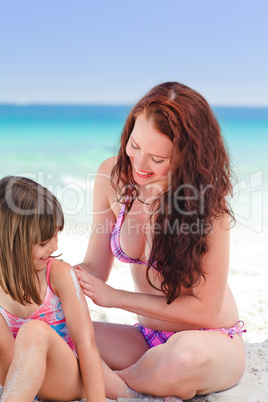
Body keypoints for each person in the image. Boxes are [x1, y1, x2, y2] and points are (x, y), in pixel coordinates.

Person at [76, 81, 247, 400]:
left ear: (187, 157)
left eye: (157, 158)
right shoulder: (111, 178)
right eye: (134, 145)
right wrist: (45, 278)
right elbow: (94, 269)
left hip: (209, 339)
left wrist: (115, 298)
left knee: (183, 359)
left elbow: (205, 310)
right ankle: (134, 383)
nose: (140, 165)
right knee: (58, 333)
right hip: (145, 337)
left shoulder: (207, 207)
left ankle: (112, 385)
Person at [0, 176, 135, 402]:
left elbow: (86, 345)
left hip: (64, 380)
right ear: (12, 244)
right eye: (44, 242)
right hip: (19, 376)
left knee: (34, 330)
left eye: (55, 235)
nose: (55, 246)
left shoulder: (59, 274)